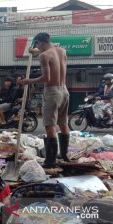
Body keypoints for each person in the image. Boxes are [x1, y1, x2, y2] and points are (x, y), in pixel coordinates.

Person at [18, 32, 70, 168]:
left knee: (49, 125)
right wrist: (34, 50)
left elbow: (45, 78)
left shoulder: (44, 56)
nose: (37, 48)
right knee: (63, 123)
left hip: (52, 91)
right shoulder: (61, 51)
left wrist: (27, 81)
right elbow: (49, 49)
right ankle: (65, 155)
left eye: (37, 45)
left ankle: (50, 161)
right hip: (64, 90)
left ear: (40, 42)